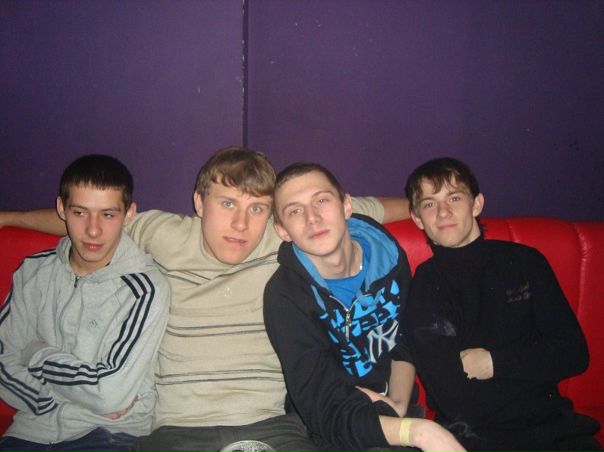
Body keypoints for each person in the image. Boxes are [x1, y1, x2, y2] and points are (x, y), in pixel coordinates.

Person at [0, 147, 410, 452]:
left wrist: (432, 208)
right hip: (176, 431)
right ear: (199, 202)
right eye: (227, 203)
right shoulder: (163, 234)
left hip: (270, 427)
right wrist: (9, 218)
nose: (240, 224)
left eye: (257, 209)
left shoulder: (286, 236)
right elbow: (90, 220)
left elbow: (362, 210)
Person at [263, 162, 466, 452]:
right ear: (282, 230)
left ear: (346, 205)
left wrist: (398, 405)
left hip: (398, 416)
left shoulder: (387, 257)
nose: (312, 218)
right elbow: (324, 409)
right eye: (295, 211)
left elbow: (404, 339)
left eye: (322, 200)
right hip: (333, 431)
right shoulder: (285, 295)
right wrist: (420, 432)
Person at [403, 157, 602, 452]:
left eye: (454, 198)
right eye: (430, 203)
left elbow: (574, 354)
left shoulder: (525, 262)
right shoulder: (425, 285)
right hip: (474, 438)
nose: (443, 212)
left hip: (555, 429)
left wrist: (494, 363)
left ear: (477, 204)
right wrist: (533, 364)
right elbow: (453, 395)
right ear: (418, 218)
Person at [0, 155, 170, 452]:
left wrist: (35, 353)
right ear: (61, 209)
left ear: (129, 214)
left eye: (108, 215)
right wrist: (51, 400)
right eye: (79, 212)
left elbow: (109, 394)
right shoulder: (33, 272)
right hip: (30, 431)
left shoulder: (145, 289)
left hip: (110, 434)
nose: (93, 230)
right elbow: (3, 358)